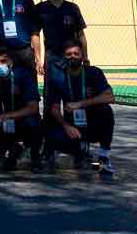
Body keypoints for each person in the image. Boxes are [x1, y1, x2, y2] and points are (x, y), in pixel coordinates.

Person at [45, 42, 115, 175]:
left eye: (76, 54)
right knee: (47, 128)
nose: (72, 57)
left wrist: (80, 104)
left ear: (82, 56)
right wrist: (66, 126)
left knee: (106, 111)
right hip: (73, 127)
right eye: (68, 54)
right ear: (63, 57)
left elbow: (110, 97)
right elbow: (54, 108)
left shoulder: (94, 72)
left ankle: (103, 158)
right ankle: (79, 149)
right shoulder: (57, 78)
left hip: (93, 124)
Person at [0, 46, 43, 173]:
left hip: (22, 120)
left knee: (34, 122)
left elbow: (33, 108)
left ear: (11, 62)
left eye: (3, 61)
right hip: (4, 123)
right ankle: (8, 152)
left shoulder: (24, 76)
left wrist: (4, 116)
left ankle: (35, 157)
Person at [35, 0, 88, 82]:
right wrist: (38, 59)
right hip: (51, 57)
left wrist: (85, 57)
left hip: (71, 56)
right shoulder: (40, 8)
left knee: (72, 91)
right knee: (52, 95)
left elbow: (81, 34)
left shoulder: (73, 8)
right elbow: (35, 35)